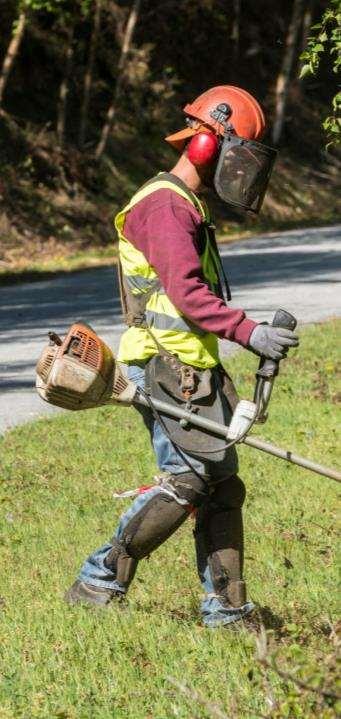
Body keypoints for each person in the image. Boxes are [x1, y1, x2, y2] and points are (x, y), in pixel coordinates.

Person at [65, 86, 298, 628]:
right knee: (190, 478)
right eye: (231, 151)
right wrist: (250, 332)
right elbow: (188, 294)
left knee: (221, 484)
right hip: (165, 364)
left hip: (189, 365)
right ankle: (99, 578)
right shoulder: (165, 206)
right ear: (203, 143)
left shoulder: (182, 203)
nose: (235, 167)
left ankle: (226, 607)